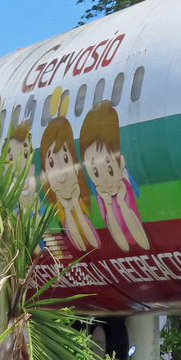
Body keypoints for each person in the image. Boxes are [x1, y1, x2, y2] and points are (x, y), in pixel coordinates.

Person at [80, 99, 149, 252]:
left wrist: (121, 202)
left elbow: (142, 241)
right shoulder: (101, 198)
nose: (104, 179)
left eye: (109, 169)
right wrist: (109, 207)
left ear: (121, 161)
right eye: (95, 173)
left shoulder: (126, 187)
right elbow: (123, 245)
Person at [40, 91, 100, 252]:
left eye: (65, 160)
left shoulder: (82, 203)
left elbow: (94, 244)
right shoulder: (61, 211)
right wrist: (67, 207)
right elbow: (82, 246)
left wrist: (74, 203)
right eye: (51, 163)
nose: (61, 172)